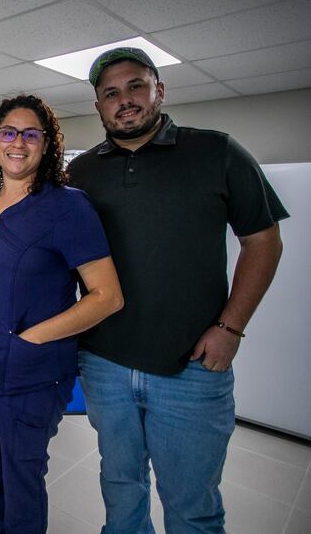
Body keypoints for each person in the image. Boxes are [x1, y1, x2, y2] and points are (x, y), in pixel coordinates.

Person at [67, 47, 288, 534]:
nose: (124, 100)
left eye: (136, 86)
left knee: (192, 507)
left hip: (190, 368)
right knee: (121, 489)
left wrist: (230, 327)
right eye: (110, 93)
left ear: (159, 90)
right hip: (105, 364)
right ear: (98, 106)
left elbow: (263, 241)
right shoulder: (79, 174)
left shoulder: (216, 151)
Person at [0, 94, 124, 534]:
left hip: (31, 374)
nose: (19, 143)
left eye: (32, 134)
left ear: (46, 146)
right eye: (9, 132)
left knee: (21, 483)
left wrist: (30, 339)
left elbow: (107, 295)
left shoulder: (67, 207)